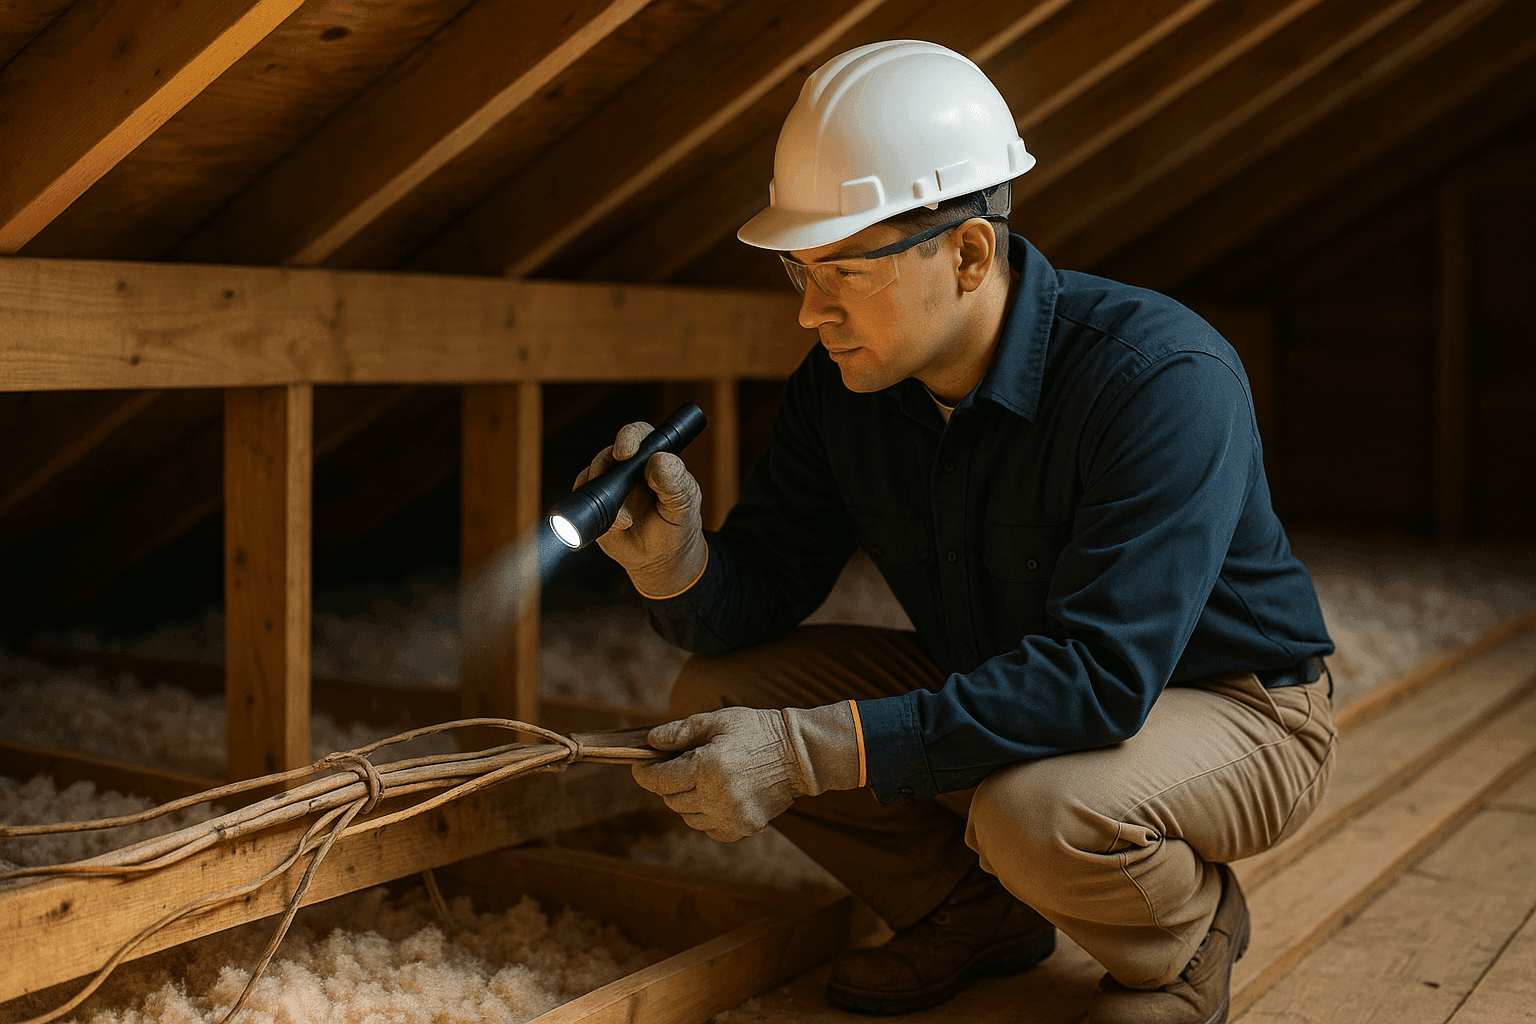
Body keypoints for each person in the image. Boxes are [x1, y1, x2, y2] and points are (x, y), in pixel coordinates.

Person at [573, 39, 1336, 1024]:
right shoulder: (847, 389)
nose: (810, 312)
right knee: (722, 692)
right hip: (1018, 677)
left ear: (969, 253)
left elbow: (1100, 679)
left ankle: (1183, 939)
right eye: (799, 272)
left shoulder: (1160, 380)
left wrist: (810, 752)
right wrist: (679, 567)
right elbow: (763, 586)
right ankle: (970, 913)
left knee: (1032, 814)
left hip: (1232, 707)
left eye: (841, 271)